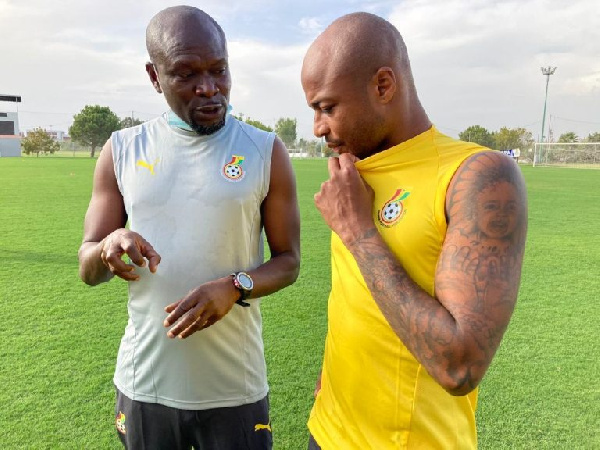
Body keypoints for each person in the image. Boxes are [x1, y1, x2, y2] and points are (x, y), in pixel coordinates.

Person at [301, 12, 527, 450]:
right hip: (327, 429)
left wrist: (358, 231)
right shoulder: (355, 170)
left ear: (384, 86)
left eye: (327, 107)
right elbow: (354, 299)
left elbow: (459, 366)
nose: (318, 128)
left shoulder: (475, 174)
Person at [78, 6, 300, 449]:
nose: (209, 88)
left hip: (235, 387)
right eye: (186, 74)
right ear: (154, 76)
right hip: (146, 385)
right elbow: (88, 266)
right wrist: (108, 246)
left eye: (219, 70)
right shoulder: (122, 150)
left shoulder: (263, 150)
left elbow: (289, 262)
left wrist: (236, 286)